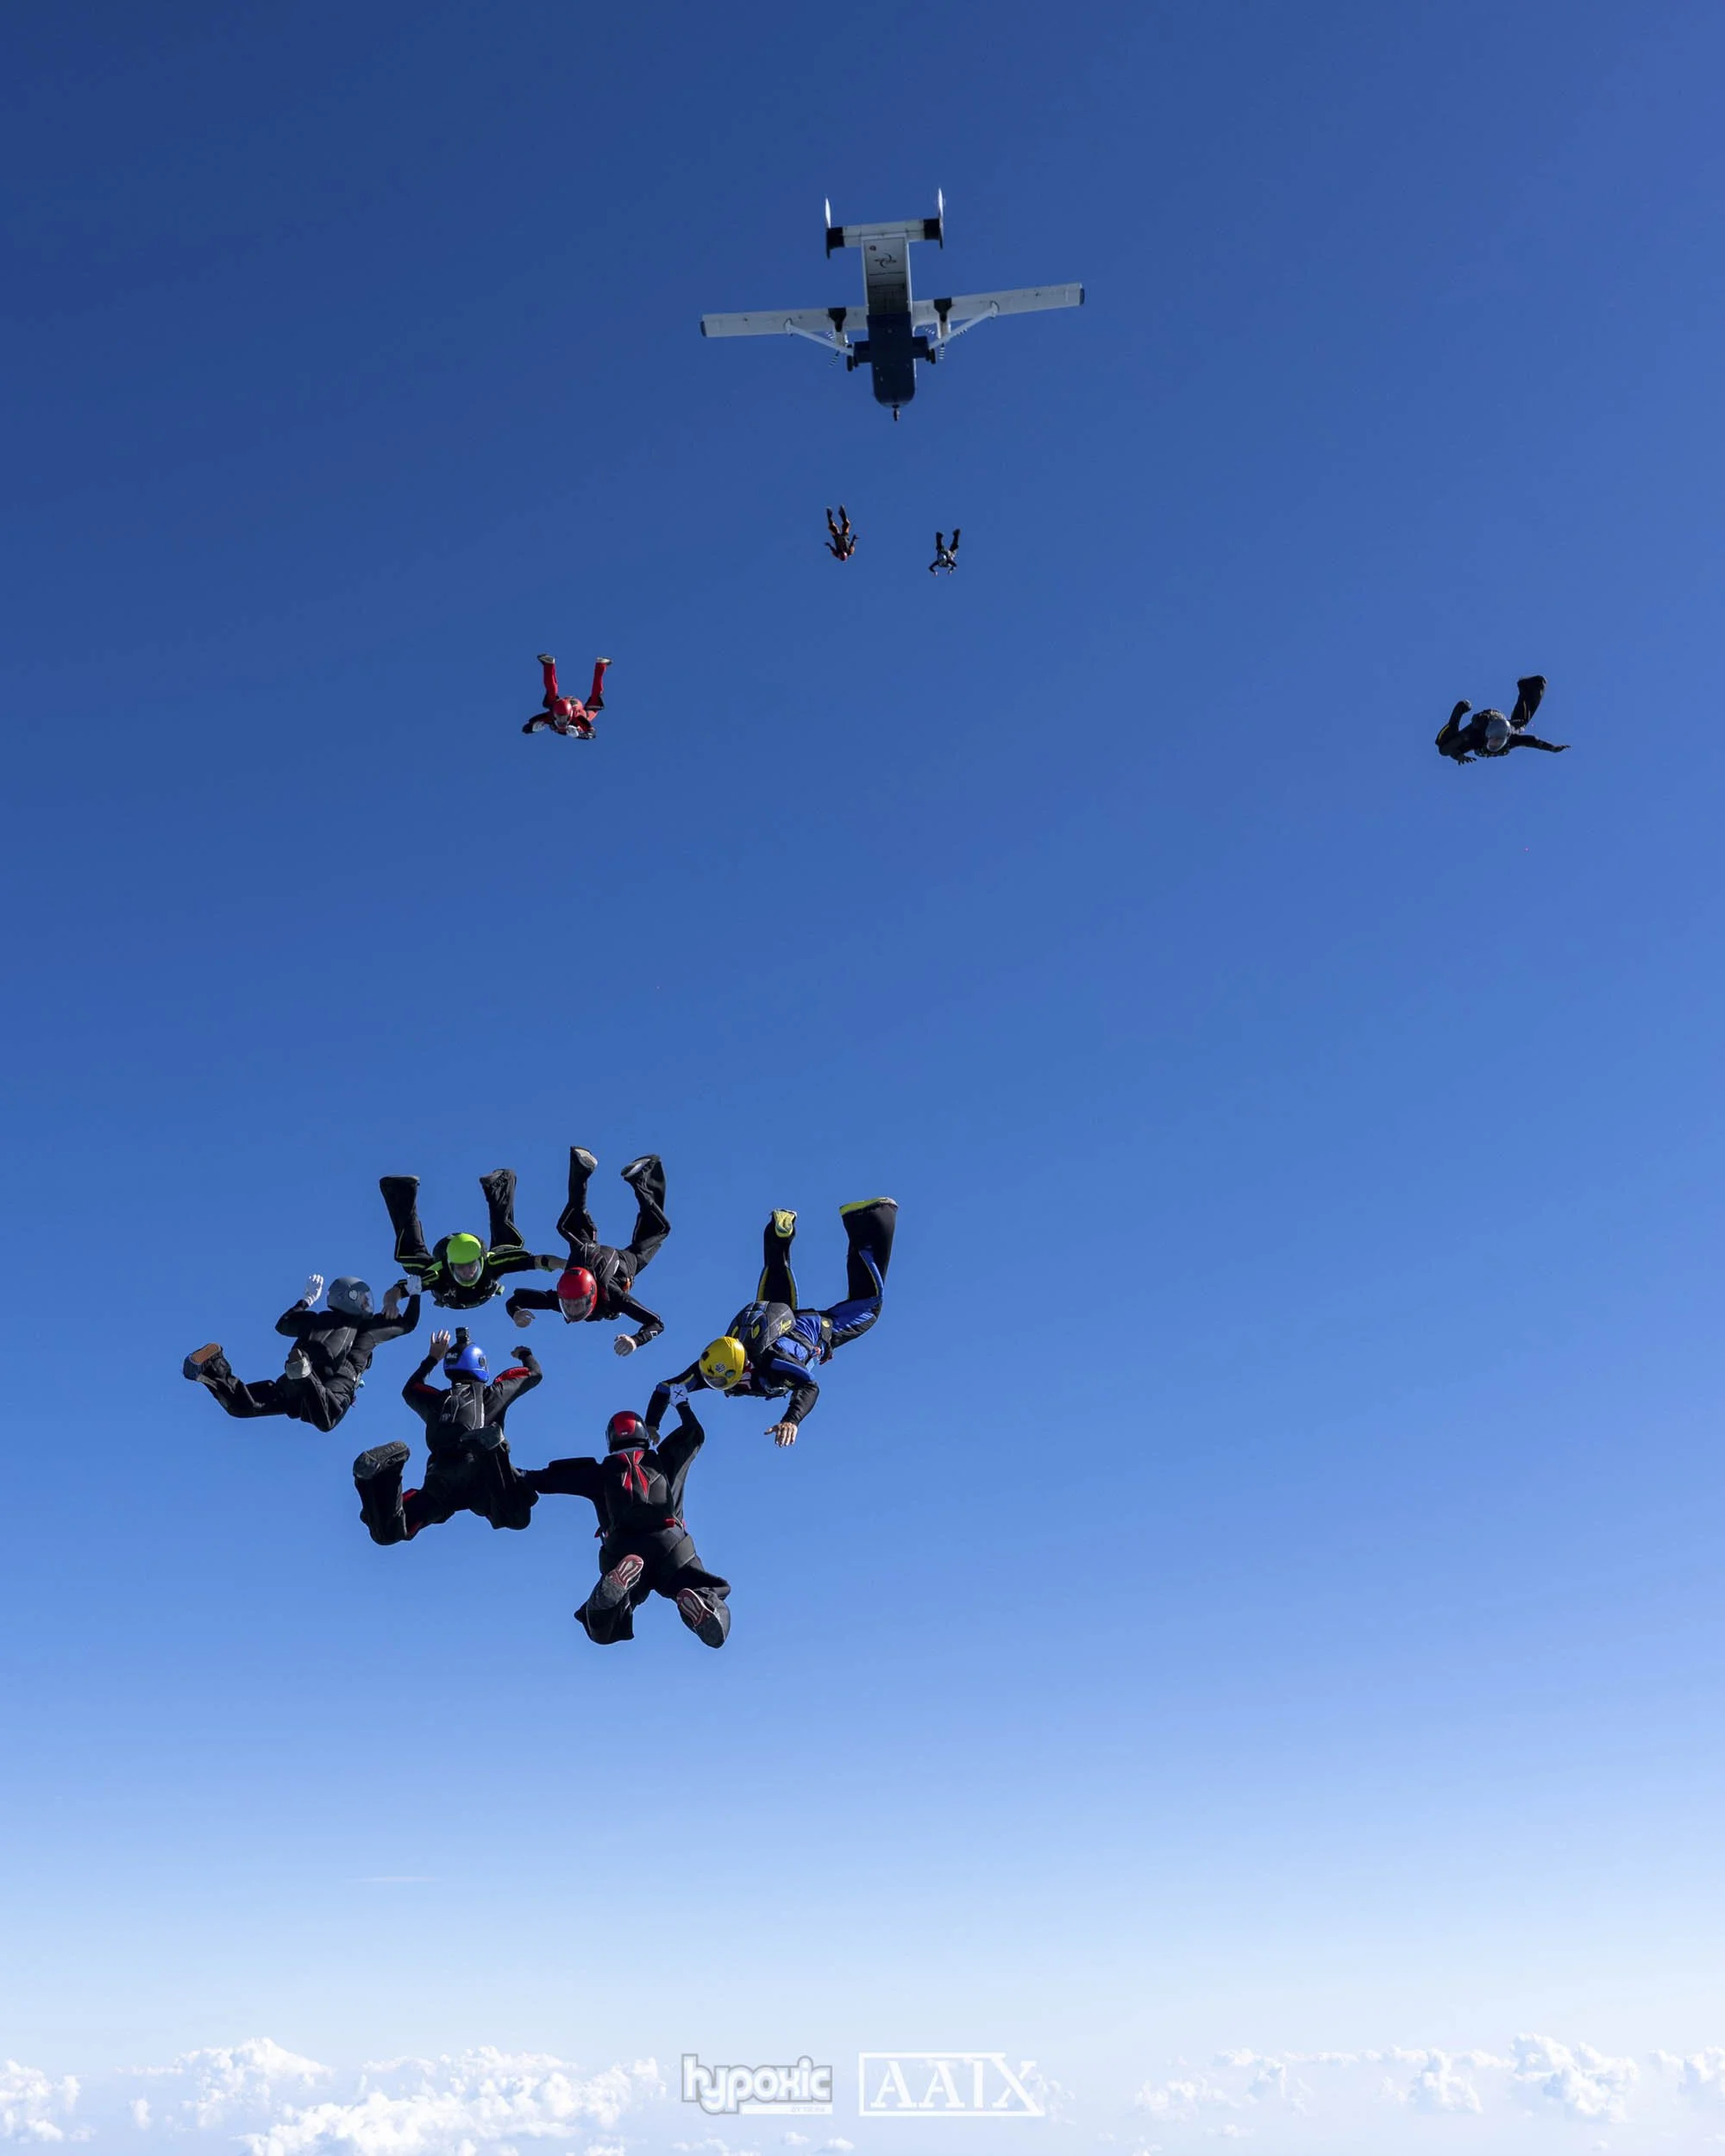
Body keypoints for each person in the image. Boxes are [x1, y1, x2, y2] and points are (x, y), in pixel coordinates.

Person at [645, 1198, 896, 1446]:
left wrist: (791, 1420)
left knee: (870, 1305)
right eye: (714, 1382)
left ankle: (869, 1218)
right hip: (775, 1321)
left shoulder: (775, 1362)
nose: (716, 1386)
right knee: (775, 1275)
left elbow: (809, 1386)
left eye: (721, 1382)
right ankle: (779, 1231)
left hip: (813, 1328)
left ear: (742, 1366)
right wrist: (652, 1424)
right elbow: (666, 1389)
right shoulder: (712, 1368)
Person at [524, 1401, 730, 1646]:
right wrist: (681, 1403)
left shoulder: (597, 1473)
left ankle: (614, 1592)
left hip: (623, 1549)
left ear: (610, 1439)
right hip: (672, 1545)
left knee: (602, 1627)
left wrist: (502, 1465)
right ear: (643, 1435)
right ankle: (704, 1603)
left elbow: (539, 1479)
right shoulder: (666, 1459)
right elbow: (695, 1432)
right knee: (706, 1589)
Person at [351, 1328, 543, 1544]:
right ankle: (492, 1450)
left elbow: (411, 1390)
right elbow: (534, 1374)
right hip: (480, 1474)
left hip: (440, 1482)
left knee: (389, 1532)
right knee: (517, 1517)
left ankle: (383, 1474)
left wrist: (432, 1358)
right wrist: (524, 1353)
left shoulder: (436, 1401)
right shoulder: (493, 1394)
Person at [182, 1275, 418, 1432]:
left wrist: (306, 1300)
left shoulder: (317, 1319)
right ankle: (306, 1376)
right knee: (327, 1420)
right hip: (335, 1383)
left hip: (292, 1383)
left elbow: (283, 1324)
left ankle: (213, 1365)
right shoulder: (367, 1329)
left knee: (242, 1406)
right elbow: (408, 1323)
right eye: (365, 1299)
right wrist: (415, 1293)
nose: (369, 1304)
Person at [505, 1148, 668, 1356]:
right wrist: (515, 1313)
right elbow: (515, 1300)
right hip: (586, 1254)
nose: (573, 1311)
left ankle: (595, 1170)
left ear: (591, 1296)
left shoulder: (614, 1296)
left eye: (575, 1304)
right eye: (568, 1305)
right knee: (652, 1230)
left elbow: (657, 1323)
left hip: (620, 1265)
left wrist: (636, 1340)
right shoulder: (563, 1298)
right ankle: (635, 1175)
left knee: (655, 1231)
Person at [379, 1166, 555, 1310]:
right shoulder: (438, 1274)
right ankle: (401, 1190)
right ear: (451, 1267)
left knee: (507, 1250)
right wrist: (390, 1303)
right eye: (461, 1269)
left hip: (472, 1246)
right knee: (414, 1263)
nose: (468, 1272)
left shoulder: (491, 1264)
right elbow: (396, 1290)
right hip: (445, 1251)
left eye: (471, 1266)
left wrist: (567, 1265)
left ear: (480, 1262)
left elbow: (538, 1261)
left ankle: (499, 1184)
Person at [1436, 675, 1566, 762]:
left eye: (1497, 742)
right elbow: (1452, 749)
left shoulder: (1511, 737)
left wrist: (1552, 748)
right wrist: (1459, 756)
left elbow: (1533, 741)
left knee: (1520, 725)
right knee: (1445, 747)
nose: (1495, 744)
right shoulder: (1475, 737)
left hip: (1501, 722)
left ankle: (1531, 685)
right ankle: (1459, 711)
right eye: (1494, 741)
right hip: (1483, 723)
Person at [523, 652, 610, 740]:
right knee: (595, 700)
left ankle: (601, 665)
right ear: (555, 714)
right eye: (560, 717)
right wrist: (532, 728)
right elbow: (526, 727)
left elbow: (592, 733)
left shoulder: (577, 717)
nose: (562, 721)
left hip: (578, 710)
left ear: (570, 714)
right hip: (567, 705)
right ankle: (601, 665)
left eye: (563, 718)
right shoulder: (551, 715)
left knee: (595, 701)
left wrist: (531, 729)